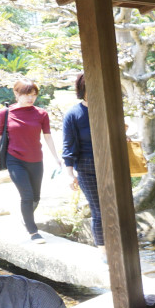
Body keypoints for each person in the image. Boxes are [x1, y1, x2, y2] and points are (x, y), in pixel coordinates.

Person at [0, 79, 63, 243]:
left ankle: (24, 216)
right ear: (16, 94)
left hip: (36, 160)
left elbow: (48, 137)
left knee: (36, 197)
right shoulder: (5, 113)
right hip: (15, 159)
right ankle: (33, 232)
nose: (31, 98)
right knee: (27, 195)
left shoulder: (41, 114)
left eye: (34, 95)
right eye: (27, 94)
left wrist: (57, 158)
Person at [62, 74, 105, 257]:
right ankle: (105, 252)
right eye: (90, 88)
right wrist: (70, 174)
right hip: (87, 167)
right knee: (99, 211)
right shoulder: (74, 114)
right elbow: (68, 146)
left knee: (118, 209)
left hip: (111, 165)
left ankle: (122, 245)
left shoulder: (107, 109)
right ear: (82, 90)